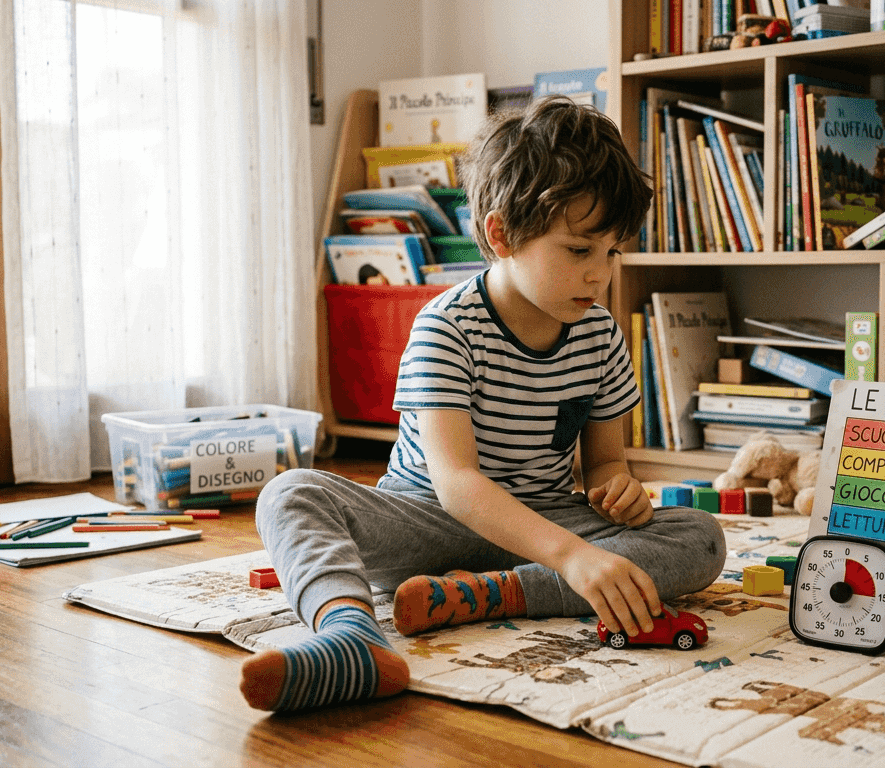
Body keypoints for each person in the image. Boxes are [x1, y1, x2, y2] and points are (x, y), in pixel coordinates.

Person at [239, 95, 727, 713]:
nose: (600, 275)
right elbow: (458, 484)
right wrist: (574, 558)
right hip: (429, 521)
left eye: (612, 252)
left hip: (542, 524)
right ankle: (351, 636)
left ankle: (492, 595)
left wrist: (617, 489)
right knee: (289, 494)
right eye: (580, 251)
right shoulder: (446, 327)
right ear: (501, 235)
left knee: (701, 538)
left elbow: (605, 462)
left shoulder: (600, 335)